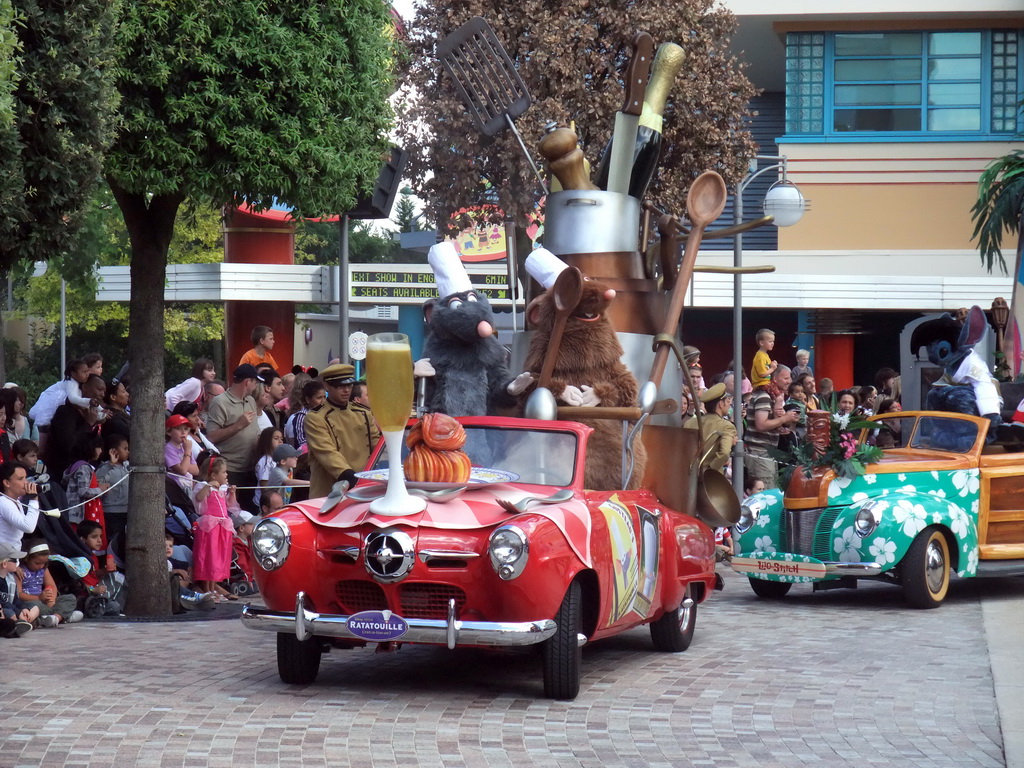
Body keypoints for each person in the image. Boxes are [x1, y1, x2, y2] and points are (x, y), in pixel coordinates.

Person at [305, 363, 381, 498]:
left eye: (349, 385)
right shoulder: (315, 417)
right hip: (331, 490)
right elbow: (327, 453)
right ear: (327, 386)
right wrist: (349, 477)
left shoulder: (363, 412)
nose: (346, 390)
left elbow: (376, 446)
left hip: (365, 486)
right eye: (340, 386)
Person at [204, 365, 261, 511]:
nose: (256, 386)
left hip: (251, 468)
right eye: (256, 382)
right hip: (230, 469)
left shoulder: (251, 401)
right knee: (230, 511)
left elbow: (254, 430)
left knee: (250, 511)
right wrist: (238, 425)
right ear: (248, 382)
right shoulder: (220, 402)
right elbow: (211, 437)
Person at [744, 365, 801, 488]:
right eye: (786, 378)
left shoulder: (774, 397)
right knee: (766, 493)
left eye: (790, 378)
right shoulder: (764, 397)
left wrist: (785, 420)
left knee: (771, 489)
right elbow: (761, 424)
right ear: (774, 379)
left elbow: (773, 423)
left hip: (767, 452)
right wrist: (784, 418)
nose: (789, 381)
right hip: (759, 452)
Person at [44, 373, 107, 482]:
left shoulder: (89, 414)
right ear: (85, 387)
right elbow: (68, 445)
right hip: (64, 476)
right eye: (99, 389)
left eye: (104, 391)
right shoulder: (66, 412)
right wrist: (88, 423)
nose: (102, 394)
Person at [191, 456, 237, 599]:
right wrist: (209, 485)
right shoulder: (204, 486)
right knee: (209, 558)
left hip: (222, 527)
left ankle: (214, 588)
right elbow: (199, 498)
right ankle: (207, 590)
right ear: (213, 475)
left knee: (218, 558)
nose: (226, 475)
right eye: (224, 472)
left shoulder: (222, 489)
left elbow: (230, 505)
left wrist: (232, 493)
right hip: (210, 528)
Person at [15, 540, 83, 626]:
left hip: (45, 602)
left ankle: (56, 617)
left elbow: (51, 585)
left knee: (70, 598)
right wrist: (39, 598)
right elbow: (19, 594)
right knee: (34, 607)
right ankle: (63, 616)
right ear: (27, 558)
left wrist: (52, 599)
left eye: (44, 563)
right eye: (37, 563)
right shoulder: (21, 571)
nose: (41, 566)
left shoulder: (43, 570)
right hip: (32, 602)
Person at [683, 383, 737, 474]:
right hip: (710, 482)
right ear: (720, 404)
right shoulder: (727, 426)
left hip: (688, 476)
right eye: (727, 401)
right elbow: (724, 453)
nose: (729, 405)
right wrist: (708, 471)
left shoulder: (690, 422)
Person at [95, 433, 130, 551]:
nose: (128, 452)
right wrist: (111, 465)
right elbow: (98, 483)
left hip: (127, 511)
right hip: (111, 512)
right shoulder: (105, 467)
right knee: (112, 540)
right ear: (113, 451)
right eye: (124, 449)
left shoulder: (128, 466)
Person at [0, 462, 45, 550]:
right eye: (21, 479)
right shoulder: (3, 502)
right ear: (7, 483)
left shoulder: (15, 501)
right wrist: (34, 499)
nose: (26, 482)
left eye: (25, 478)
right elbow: (28, 527)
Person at [285, 379, 325, 449]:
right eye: (319, 398)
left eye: (325, 397)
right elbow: (302, 442)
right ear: (307, 399)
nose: (323, 401)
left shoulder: (326, 414)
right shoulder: (302, 417)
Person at [165, 414, 199, 490]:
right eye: (178, 429)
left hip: (187, 485)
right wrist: (187, 452)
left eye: (186, 429)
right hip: (176, 487)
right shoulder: (169, 448)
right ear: (169, 432)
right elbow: (183, 471)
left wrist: (183, 464)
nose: (183, 432)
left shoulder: (185, 447)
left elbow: (196, 471)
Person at [254, 426, 283, 505]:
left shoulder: (279, 459)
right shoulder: (265, 461)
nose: (280, 441)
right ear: (267, 441)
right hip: (266, 503)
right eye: (276, 438)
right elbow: (264, 487)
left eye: (281, 439)